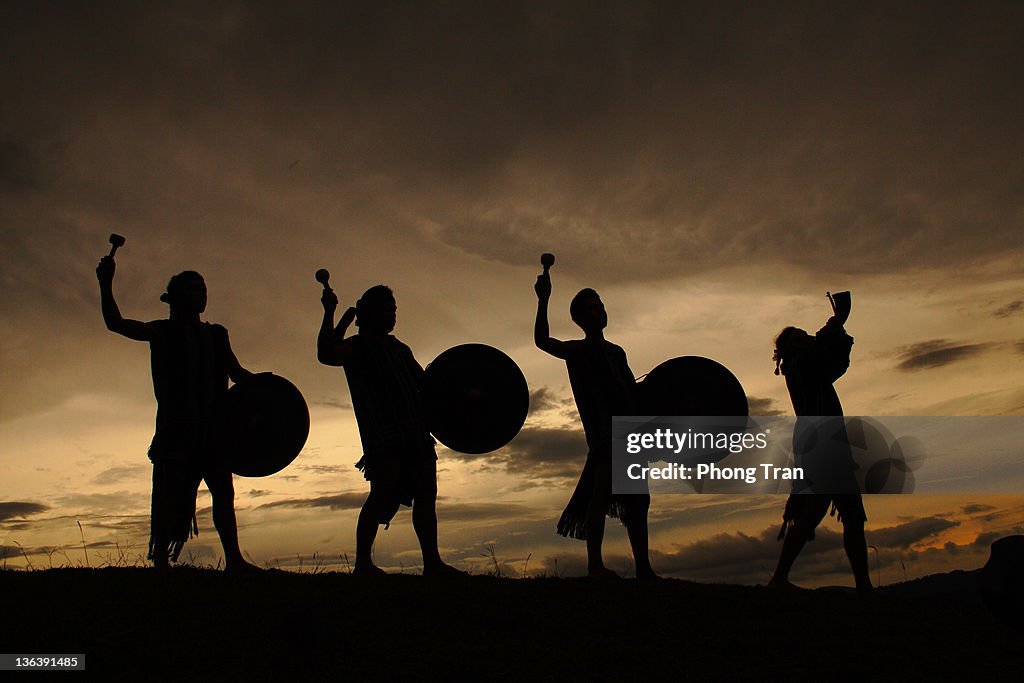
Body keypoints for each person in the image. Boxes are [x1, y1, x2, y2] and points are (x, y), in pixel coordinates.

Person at [96, 257, 258, 571]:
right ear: (177, 297)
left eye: (203, 288)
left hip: (213, 431)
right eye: (194, 289)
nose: (201, 294)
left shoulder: (216, 335)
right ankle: (161, 561)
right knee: (170, 497)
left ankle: (235, 560)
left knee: (224, 493)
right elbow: (116, 323)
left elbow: (236, 372)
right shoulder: (162, 331)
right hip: (176, 431)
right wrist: (105, 283)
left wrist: (266, 388)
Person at [317, 284, 462, 576]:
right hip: (384, 436)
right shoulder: (357, 348)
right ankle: (362, 563)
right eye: (386, 310)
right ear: (369, 313)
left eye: (394, 310)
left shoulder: (399, 349)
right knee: (382, 494)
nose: (392, 315)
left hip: (416, 433)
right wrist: (334, 313)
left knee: (425, 494)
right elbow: (326, 352)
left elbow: (425, 384)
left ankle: (432, 562)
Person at [534, 273, 656, 579]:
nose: (597, 311)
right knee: (600, 495)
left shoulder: (617, 352)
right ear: (578, 318)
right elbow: (542, 341)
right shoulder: (578, 350)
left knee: (638, 500)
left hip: (630, 435)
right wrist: (543, 299)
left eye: (599, 305)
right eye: (589, 308)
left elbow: (632, 392)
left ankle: (643, 568)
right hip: (604, 435)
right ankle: (595, 566)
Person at [768, 292, 872, 592]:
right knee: (839, 514)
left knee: (837, 516)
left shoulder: (804, 366)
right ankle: (780, 579)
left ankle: (781, 579)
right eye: (799, 337)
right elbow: (828, 357)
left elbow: (829, 357)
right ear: (789, 350)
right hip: (823, 448)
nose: (805, 338)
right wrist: (835, 322)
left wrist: (836, 324)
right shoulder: (803, 366)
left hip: (823, 447)